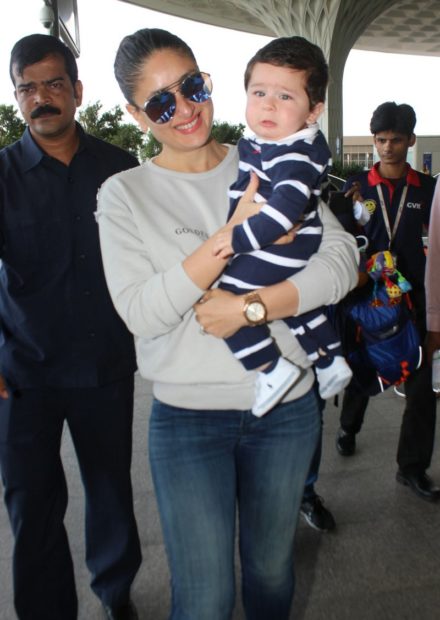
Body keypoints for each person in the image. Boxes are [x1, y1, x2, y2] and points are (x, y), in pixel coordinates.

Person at [96, 28, 358, 619]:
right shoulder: (124, 194)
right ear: (137, 115)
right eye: (161, 102)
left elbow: (342, 262)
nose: (185, 109)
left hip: (286, 407)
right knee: (205, 596)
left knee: (271, 574)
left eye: (192, 87)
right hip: (188, 421)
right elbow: (140, 311)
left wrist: (252, 308)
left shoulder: (270, 152)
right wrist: (225, 240)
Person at [0, 34, 142, 620]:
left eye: (53, 83)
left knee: (111, 491)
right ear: (16, 98)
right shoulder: (2, 175)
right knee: (32, 505)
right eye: (27, 87)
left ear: (78, 92)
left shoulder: (121, 170)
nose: (41, 98)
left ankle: (115, 593)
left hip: (105, 364)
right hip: (22, 373)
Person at [212, 37, 352, 417]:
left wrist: (235, 240)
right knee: (290, 301)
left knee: (224, 296)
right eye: (258, 92)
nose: (268, 104)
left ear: (313, 111)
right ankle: (329, 359)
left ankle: (271, 369)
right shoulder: (274, 142)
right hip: (292, 246)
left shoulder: (292, 154)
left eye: (285, 96)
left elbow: (286, 209)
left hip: (281, 241)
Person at [335, 101, 440, 502]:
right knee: (364, 370)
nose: (388, 147)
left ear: (411, 141)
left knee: (419, 383)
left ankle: (411, 468)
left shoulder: (429, 190)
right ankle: (348, 426)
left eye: (396, 140)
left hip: (414, 299)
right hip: (369, 300)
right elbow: (345, 241)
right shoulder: (357, 187)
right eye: (381, 140)